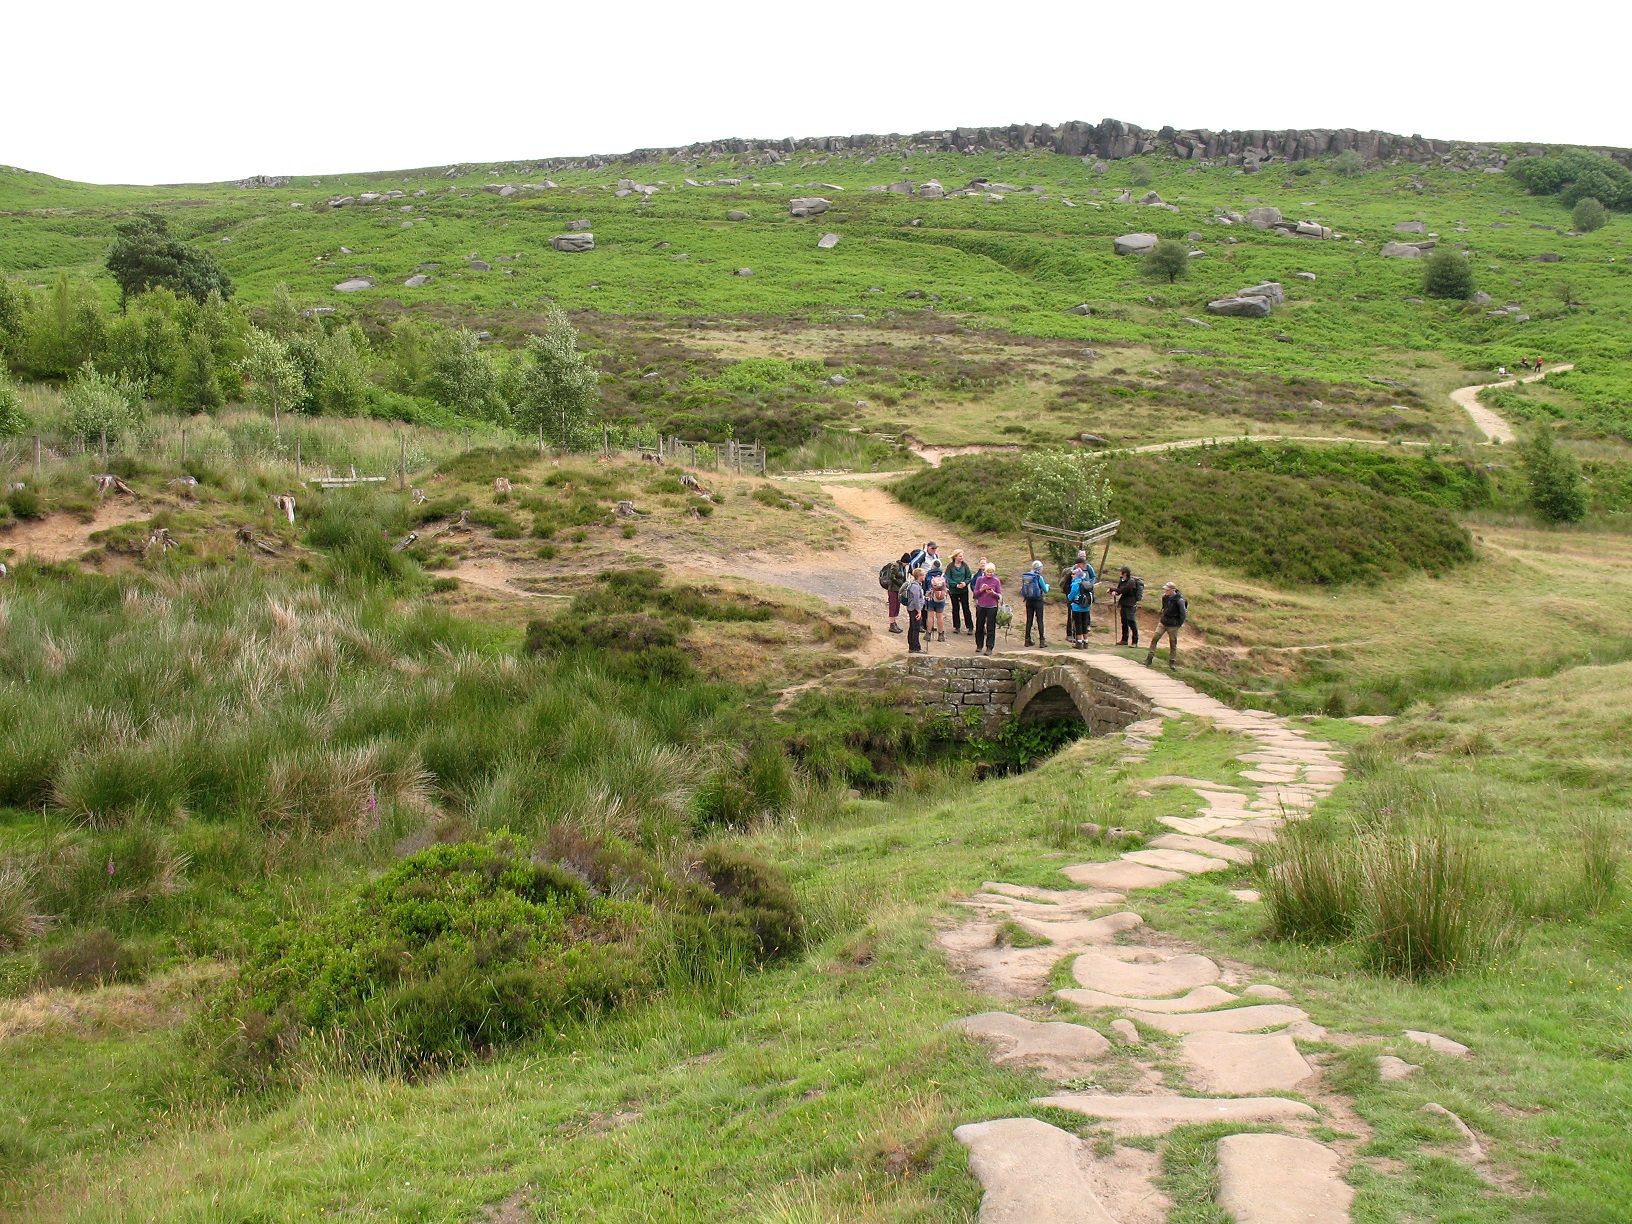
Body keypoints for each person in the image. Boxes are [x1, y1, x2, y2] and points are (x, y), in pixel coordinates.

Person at [1146, 582, 1188, 669]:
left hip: (1173, 625)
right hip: (1163, 622)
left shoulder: (1179, 600)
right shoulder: (1165, 597)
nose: (1165, 591)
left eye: (1167, 590)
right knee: (1155, 638)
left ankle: (1172, 662)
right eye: (1165, 589)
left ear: (1173, 590)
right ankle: (1149, 658)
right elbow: (1164, 608)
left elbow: (1183, 614)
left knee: (1173, 643)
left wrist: (1179, 624)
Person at [972, 562, 1002, 656]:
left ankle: (989, 647)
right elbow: (975, 594)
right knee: (979, 626)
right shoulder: (980, 579)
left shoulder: (996, 581)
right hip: (981, 605)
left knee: (990, 627)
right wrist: (981, 590)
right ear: (985, 571)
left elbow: (999, 595)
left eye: (991, 572)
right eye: (988, 571)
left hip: (992, 606)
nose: (990, 573)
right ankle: (979, 645)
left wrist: (993, 593)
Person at [1020, 560, 1049, 647]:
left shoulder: (1027, 576)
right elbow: (1045, 590)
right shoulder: (1039, 577)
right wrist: (1047, 585)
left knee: (1029, 620)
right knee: (1040, 620)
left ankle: (1027, 640)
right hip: (1038, 601)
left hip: (1028, 600)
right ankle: (1042, 641)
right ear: (1039, 568)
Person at [1113, 566, 1144, 647]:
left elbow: (1123, 590)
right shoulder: (1122, 580)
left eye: (1121, 571)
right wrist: (1115, 592)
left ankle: (1135, 642)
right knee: (1124, 622)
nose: (1119, 573)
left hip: (1130, 604)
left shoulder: (1131, 582)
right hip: (1124, 603)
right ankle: (1124, 640)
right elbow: (1119, 590)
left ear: (1125, 573)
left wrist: (1113, 590)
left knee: (1131, 622)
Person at [882, 550, 912, 634]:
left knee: (897, 607)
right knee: (893, 606)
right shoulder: (895, 566)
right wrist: (900, 584)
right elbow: (892, 577)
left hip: (898, 590)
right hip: (893, 589)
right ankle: (892, 624)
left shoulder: (902, 567)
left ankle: (894, 622)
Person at [945, 550, 974, 635]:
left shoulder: (965, 565)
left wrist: (965, 583)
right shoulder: (950, 566)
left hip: (963, 590)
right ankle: (956, 627)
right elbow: (947, 578)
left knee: (966, 608)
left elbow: (969, 576)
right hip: (953, 591)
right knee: (955, 608)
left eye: (962, 556)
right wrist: (956, 585)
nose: (962, 557)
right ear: (955, 557)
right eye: (960, 556)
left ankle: (970, 627)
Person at [1068, 562, 1096, 648]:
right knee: (1084, 624)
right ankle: (1086, 642)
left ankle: (1079, 642)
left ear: (1077, 575)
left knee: (1078, 624)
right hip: (1086, 607)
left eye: (1074, 574)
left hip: (1077, 607)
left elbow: (1071, 595)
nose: (1072, 576)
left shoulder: (1075, 584)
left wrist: (1069, 597)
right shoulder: (1086, 583)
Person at [903, 567, 928, 654]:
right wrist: (919, 611)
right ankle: (916, 648)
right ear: (919, 576)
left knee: (912, 627)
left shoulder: (916, 585)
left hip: (912, 608)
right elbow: (916, 600)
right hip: (914, 609)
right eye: (923, 575)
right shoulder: (915, 586)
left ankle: (912, 646)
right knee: (915, 628)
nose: (924, 576)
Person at [925, 569, 948, 642]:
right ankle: (941, 635)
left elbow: (925, 587)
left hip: (931, 597)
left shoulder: (929, 575)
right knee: (940, 617)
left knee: (930, 616)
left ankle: (928, 634)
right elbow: (947, 586)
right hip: (941, 599)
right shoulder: (943, 575)